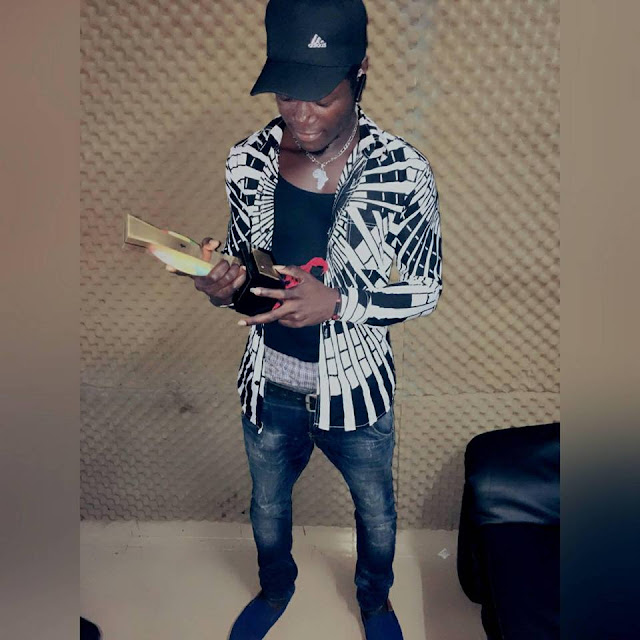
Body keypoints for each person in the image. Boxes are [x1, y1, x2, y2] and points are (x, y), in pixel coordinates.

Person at [193, 1, 442, 638]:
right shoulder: (247, 160)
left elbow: (425, 290)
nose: (301, 115)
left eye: (323, 98)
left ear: (360, 74)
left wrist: (340, 303)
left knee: (376, 515)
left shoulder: (402, 172)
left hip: (357, 390)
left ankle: (375, 602)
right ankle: (276, 588)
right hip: (267, 383)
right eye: (287, 95)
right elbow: (252, 276)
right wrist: (222, 286)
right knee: (267, 508)